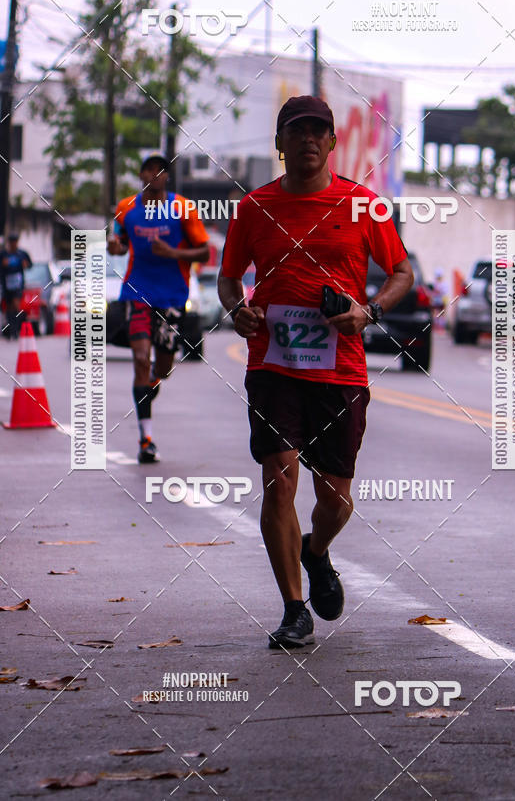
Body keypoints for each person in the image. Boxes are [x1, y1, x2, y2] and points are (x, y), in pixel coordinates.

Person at [218, 95, 414, 650]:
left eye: (317, 131)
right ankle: (293, 608)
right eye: (295, 131)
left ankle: (317, 549)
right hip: (272, 363)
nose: (307, 139)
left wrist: (368, 311)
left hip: (341, 369)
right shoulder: (253, 208)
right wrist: (238, 311)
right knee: (278, 479)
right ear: (280, 145)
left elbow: (401, 271)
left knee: (335, 497)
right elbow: (229, 279)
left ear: (332, 142)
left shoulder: (363, 205)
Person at [107, 153, 210, 462]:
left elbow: (205, 252)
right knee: (140, 358)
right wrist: (116, 246)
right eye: (148, 169)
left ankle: (150, 382)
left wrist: (173, 253)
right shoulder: (126, 208)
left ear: (167, 176)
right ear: (141, 175)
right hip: (137, 293)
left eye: (160, 169)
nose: (154, 174)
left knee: (162, 368)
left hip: (173, 298)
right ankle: (145, 440)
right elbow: (120, 241)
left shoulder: (183, 208)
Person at [0, 233, 32, 339]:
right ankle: (12, 330)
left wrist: (25, 264)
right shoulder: (3, 254)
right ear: (9, 243)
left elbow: (30, 265)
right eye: (11, 242)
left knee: (16, 305)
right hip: (6, 284)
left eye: (15, 242)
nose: (13, 244)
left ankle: (16, 329)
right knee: (9, 308)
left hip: (18, 284)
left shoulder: (22, 254)